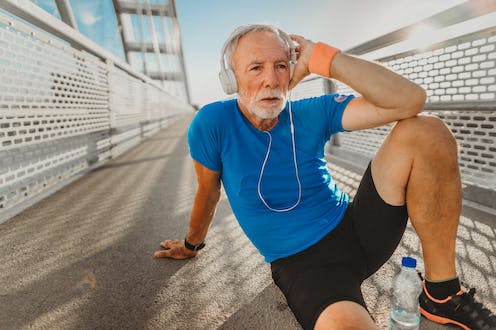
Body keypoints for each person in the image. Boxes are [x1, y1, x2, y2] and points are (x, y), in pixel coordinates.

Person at [154, 24, 496, 330]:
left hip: (357, 228)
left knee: (427, 130)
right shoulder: (212, 123)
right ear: (232, 79)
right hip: (304, 265)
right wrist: (191, 245)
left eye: (280, 66)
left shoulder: (309, 112)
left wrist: (323, 57)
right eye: (255, 67)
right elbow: (207, 192)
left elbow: (410, 100)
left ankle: (442, 293)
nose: (271, 79)